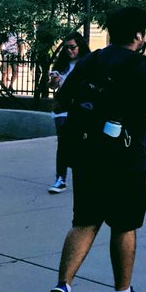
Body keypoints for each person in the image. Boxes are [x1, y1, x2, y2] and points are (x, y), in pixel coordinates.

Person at [41, 5, 146, 292]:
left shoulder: (90, 60)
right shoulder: (141, 66)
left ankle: (62, 287)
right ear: (139, 35)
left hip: (87, 156)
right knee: (124, 226)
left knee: (84, 222)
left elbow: (61, 100)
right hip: (126, 159)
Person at [47, 32, 90, 193]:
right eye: (66, 48)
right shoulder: (61, 65)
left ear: (80, 46)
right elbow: (52, 86)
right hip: (63, 110)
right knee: (63, 143)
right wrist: (54, 81)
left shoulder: (88, 63)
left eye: (72, 47)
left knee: (82, 143)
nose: (69, 51)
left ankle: (83, 176)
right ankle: (61, 178)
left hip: (81, 109)